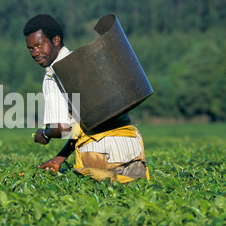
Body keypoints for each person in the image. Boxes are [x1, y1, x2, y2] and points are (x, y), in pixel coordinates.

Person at [23, 14, 149, 184]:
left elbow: (62, 128)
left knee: (103, 207)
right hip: (131, 147)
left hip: (100, 153)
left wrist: (45, 134)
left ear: (56, 40)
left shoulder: (54, 75)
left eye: (39, 45)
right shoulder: (88, 61)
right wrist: (60, 158)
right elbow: (83, 124)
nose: (35, 53)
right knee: (137, 203)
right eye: (30, 48)